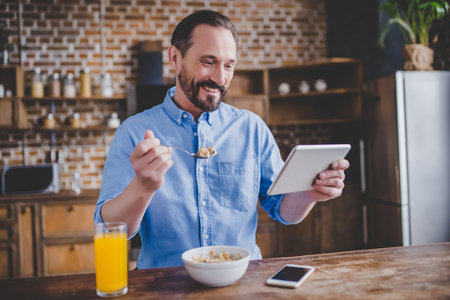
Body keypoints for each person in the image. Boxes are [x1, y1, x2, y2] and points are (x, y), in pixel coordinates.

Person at [94, 10, 349, 269]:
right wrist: (143, 186)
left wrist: (309, 194)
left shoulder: (251, 128)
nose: (220, 78)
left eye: (228, 65)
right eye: (208, 61)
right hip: (164, 286)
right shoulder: (134, 132)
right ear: (175, 58)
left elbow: (283, 209)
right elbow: (111, 228)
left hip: (241, 282)